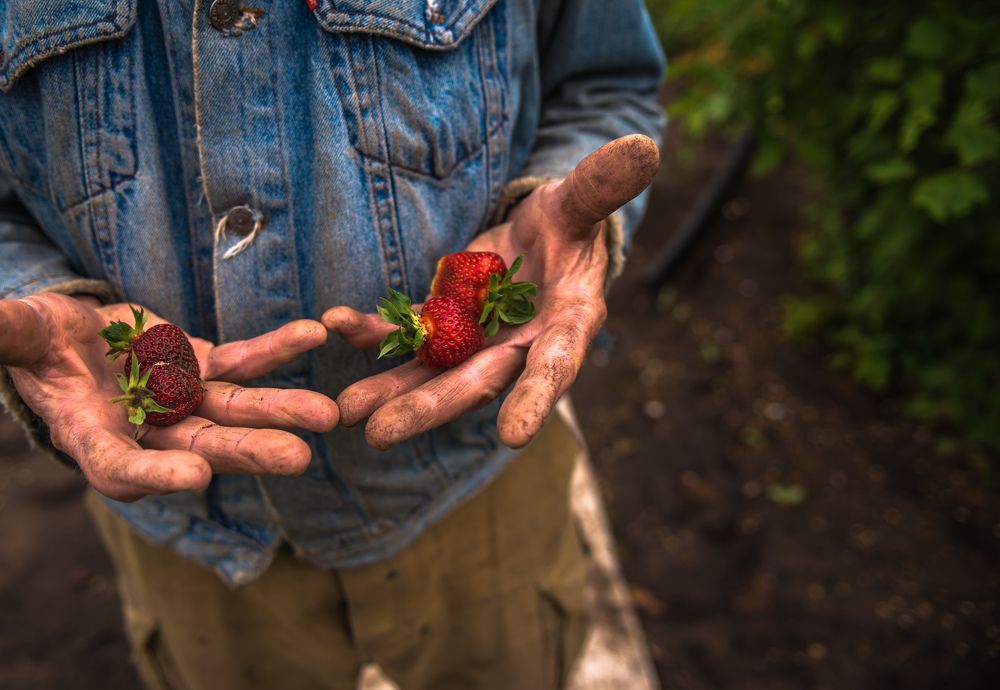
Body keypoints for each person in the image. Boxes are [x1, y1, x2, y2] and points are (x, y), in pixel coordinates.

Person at [0, 1, 664, 688]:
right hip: (193, 541)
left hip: (471, 479)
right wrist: (28, 288)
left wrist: (570, 225)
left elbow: (605, 87)